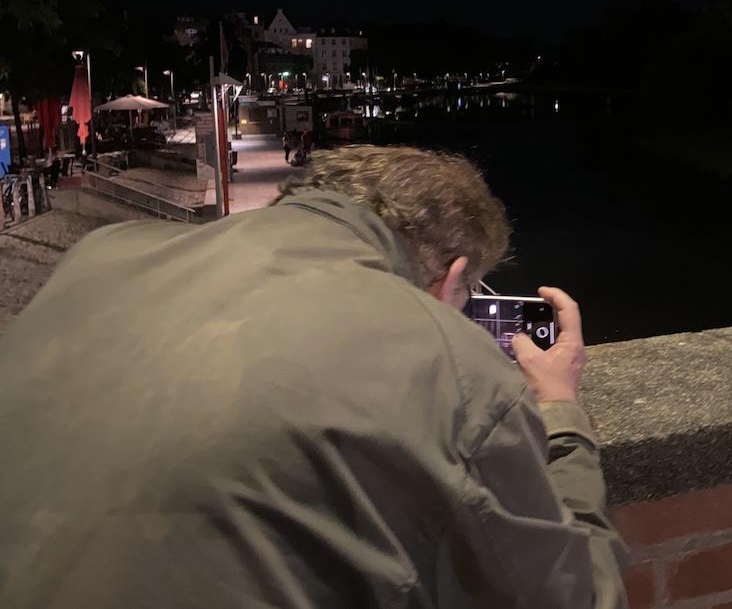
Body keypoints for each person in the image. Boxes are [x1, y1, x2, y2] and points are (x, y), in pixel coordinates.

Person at [0, 145, 629, 608]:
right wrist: (561, 414)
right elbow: (577, 598)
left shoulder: (106, 253)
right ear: (453, 275)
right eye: (465, 297)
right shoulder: (446, 360)